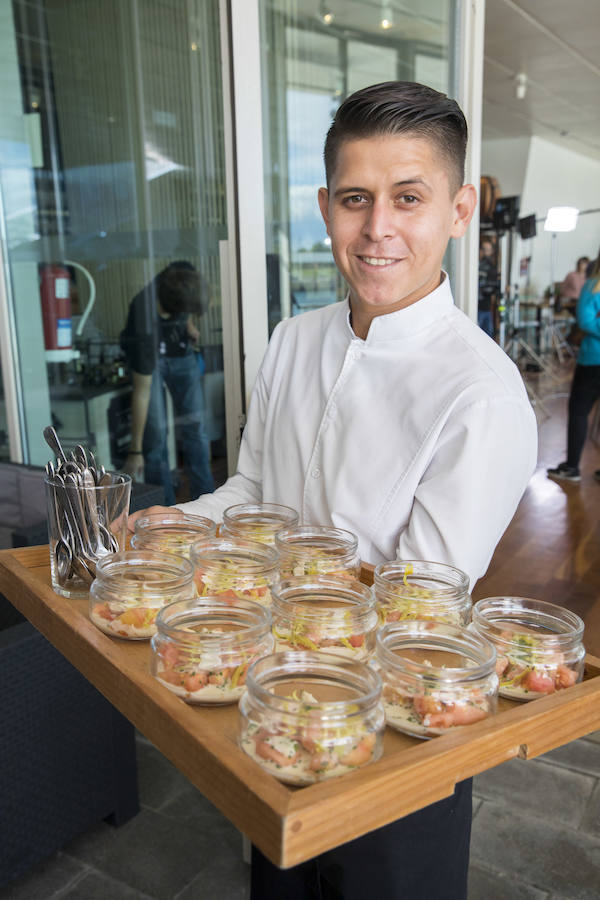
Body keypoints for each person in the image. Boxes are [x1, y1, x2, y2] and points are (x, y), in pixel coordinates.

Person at [129, 82, 537, 899]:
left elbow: (415, 606)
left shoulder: (481, 396)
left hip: (395, 729)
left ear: (458, 210)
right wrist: (179, 521)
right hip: (275, 703)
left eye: (408, 198)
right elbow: (252, 491)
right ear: (325, 207)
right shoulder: (291, 340)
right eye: (356, 199)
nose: (378, 228)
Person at [120, 261, 214, 505]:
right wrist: (135, 451)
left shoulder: (180, 274)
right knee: (156, 436)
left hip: (182, 356)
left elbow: (191, 298)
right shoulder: (143, 322)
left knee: (196, 429)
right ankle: (164, 508)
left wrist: (189, 324)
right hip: (153, 361)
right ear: (172, 311)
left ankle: (205, 502)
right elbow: (142, 393)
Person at [547, 253, 600, 485]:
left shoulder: (592, 287)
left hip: (593, 359)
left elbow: (586, 321)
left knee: (578, 411)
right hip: (592, 358)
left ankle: (571, 467)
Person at [477, 237, 499, 336]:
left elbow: (492, 288)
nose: (486, 253)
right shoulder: (476, 266)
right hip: (477, 307)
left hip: (487, 307)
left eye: (488, 250)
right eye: (484, 249)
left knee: (488, 337)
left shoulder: (492, 267)